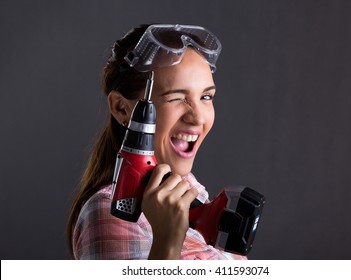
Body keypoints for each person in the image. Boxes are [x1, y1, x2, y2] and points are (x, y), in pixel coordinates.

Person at [66, 24, 247, 260]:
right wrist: (167, 241)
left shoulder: (193, 195)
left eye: (205, 97)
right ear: (122, 108)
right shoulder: (113, 213)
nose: (197, 117)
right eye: (175, 98)